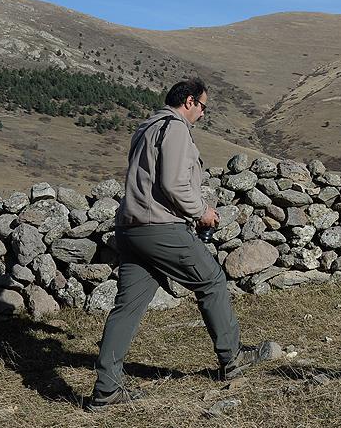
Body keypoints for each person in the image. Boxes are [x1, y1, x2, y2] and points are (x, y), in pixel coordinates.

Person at [87, 78, 258, 411]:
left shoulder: (145, 128)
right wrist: (202, 212)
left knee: (127, 308)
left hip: (130, 229)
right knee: (211, 281)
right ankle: (232, 359)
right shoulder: (175, 128)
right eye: (204, 107)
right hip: (160, 228)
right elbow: (174, 183)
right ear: (190, 102)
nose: (204, 115)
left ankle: (106, 390)